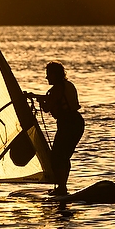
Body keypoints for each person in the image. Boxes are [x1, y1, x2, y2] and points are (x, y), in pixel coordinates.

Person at [28, 61, 84, 196]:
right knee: (63, 156)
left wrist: (38, 100)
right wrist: (36, 97)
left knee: (59, 155)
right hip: (76, 122)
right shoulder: (67, 85)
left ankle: (62, 187)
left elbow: (47, 107)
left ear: (55, 74)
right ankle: (61, 186)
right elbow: (52, 99)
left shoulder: (57, 89)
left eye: (48, 75)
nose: (46, 78)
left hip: (69, 123)